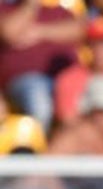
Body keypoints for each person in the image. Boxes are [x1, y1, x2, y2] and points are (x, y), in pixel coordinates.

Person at [0, 0, 86, 133]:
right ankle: (42, 147)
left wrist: (40, 32)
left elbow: (81, 30)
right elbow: (10, 32)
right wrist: (30, 5)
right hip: (27, 79)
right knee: (40, 104)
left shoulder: (61, 11)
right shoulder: (5, 9)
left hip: (66, 78)